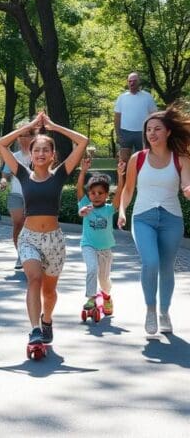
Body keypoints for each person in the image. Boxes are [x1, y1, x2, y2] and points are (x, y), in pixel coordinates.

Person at [0, 111, 89, 351]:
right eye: (36, 150)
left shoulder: (59, 175)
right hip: (29, 238)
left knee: (49, 292)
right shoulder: (22, 174)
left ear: (52, 155)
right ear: (31, 154)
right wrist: (28, 127)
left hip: (54, 241)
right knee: (34, 280)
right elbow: (0, 144)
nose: (40, 153)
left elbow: (83, 142)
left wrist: (54, 126)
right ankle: (35, 329)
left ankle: (47, 320)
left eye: (45, 150)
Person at [117, 104, 190, 336]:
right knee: (151, 262)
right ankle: (150, 309)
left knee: (167, 267)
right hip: (142, 218)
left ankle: (164, 312)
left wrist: (188, 189)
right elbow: (129, 190)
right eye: (148, 130)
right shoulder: (137, 158)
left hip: (171, 219)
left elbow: (186, 184)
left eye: (157, 129)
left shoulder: (181, 158)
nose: (152, 133)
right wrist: (122, 211)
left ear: (168, 132)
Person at [76, 157, 126, 318]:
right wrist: (83, 171)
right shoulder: (85, 205)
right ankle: (91, 298)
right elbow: (79, 188)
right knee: (92, 269)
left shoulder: (109, 209)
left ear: (106, 195)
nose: (96, 196)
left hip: (105, 249)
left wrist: (120, 174)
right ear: (88, 194)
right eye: (93, 193)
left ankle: (106, 297)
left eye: (100, 193)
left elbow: (120, 191)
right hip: (88, 245)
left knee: (104, 280)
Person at [0, 126, 33, 270]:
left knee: (30, 226)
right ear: (17, 138)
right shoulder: (13, 156)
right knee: (18, 224)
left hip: (33, 195)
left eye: (27, 135)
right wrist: (3, 181)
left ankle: (33, 254)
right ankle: (20, 254)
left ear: (33, 137)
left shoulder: (37, 154)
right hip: (16, 194)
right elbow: (5, 174)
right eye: (21, 136)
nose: (24, 139)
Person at [114, 72, 157, 162]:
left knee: (142, 158)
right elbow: (117, 117)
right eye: (130, 81)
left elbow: (154, 115)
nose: (132, 83)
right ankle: (124, 172)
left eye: (134, 81)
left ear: (139, 82)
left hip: (142, 132)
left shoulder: (147, 97)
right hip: (125, 132)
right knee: (124, 160)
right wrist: (118, 134)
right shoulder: (122, 97)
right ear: (127, 83)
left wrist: (152, 131)